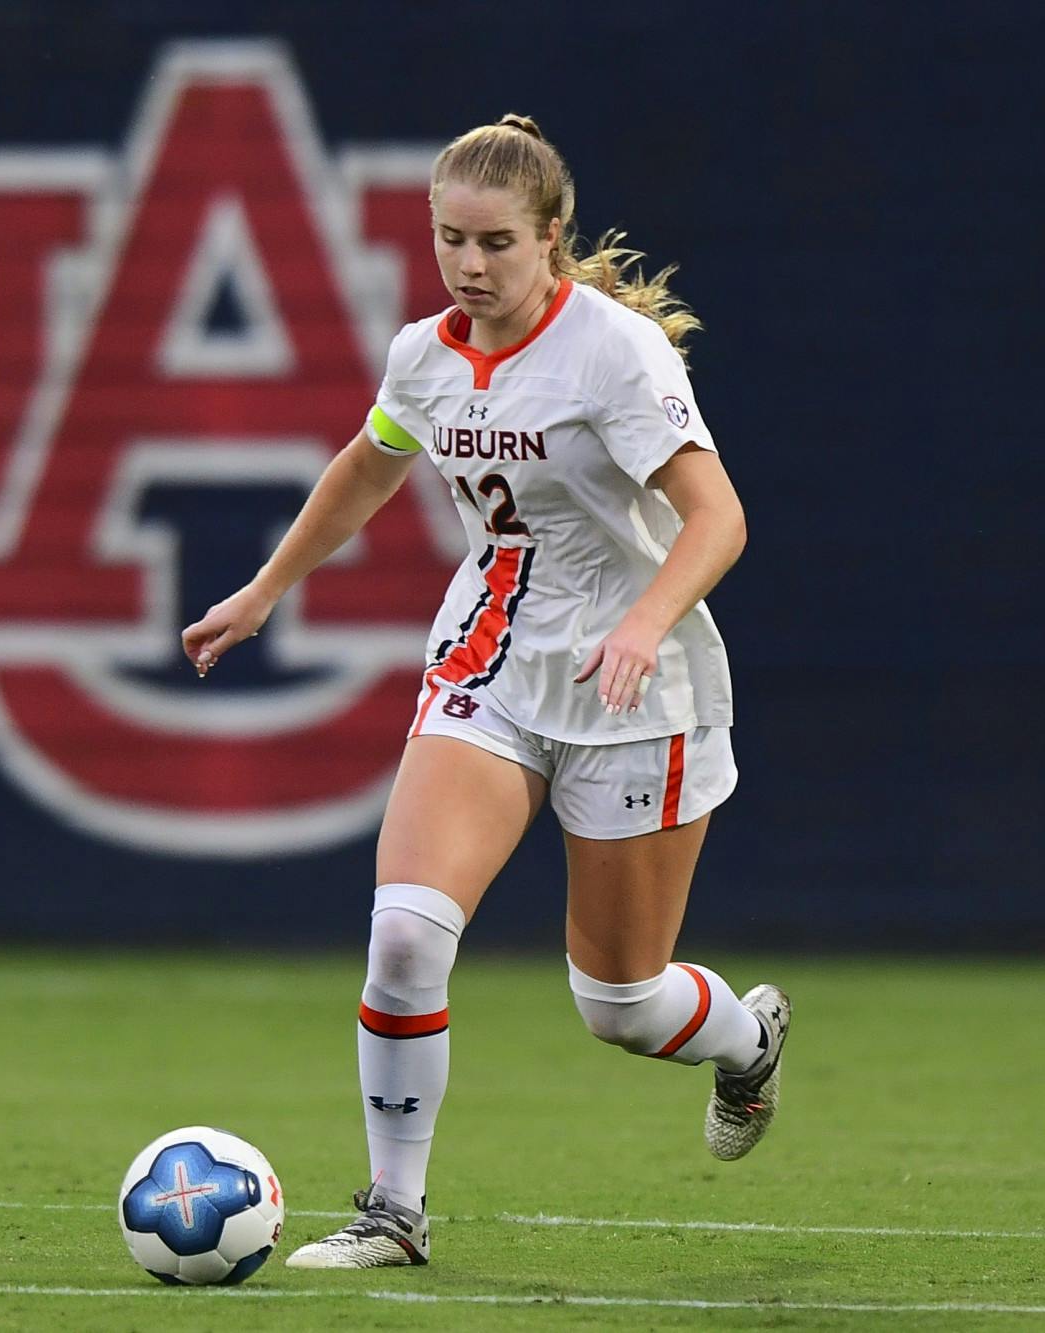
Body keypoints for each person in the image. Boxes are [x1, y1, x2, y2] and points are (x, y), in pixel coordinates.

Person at [179, 114, 790, 1270]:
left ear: (549, 236)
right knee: (405, 940)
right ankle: (391, 1213)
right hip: (490, 666)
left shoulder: (613, 352)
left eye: (495, 242)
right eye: (448, 239)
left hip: (636, 690)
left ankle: (744, 1040)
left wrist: (640, 623)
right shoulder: (423, 355)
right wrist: (263, 591)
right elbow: (366, 468)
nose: (468, 264)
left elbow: (717, 519)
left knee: (618, 1003)